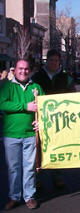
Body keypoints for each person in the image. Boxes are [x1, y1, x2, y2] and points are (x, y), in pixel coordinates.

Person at [0, 59, 44, 210]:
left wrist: (41, 123)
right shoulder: (7, 86)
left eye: (26, 69)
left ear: (29, 70)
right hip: (11, 134)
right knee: (13, 168)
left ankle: (29, 196)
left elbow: (45, 108)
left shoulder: (36, 87)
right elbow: (2, 104)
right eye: (20, 68)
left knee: (29, 167)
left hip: (30, 134)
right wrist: (25, 106)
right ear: (15, 69)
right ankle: (14, 196)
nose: (23, 71)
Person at [32, 49, 76, 189]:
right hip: (42, 117)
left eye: (56, 60)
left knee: (56, 146)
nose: (53, 63)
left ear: (59, 62)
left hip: (59, 118)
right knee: (39, 147)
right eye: (51, 60)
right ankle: (38, 177)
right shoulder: (37, 77)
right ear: (47, 61)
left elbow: (72, 96)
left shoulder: (66, 77)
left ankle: (57, 175)